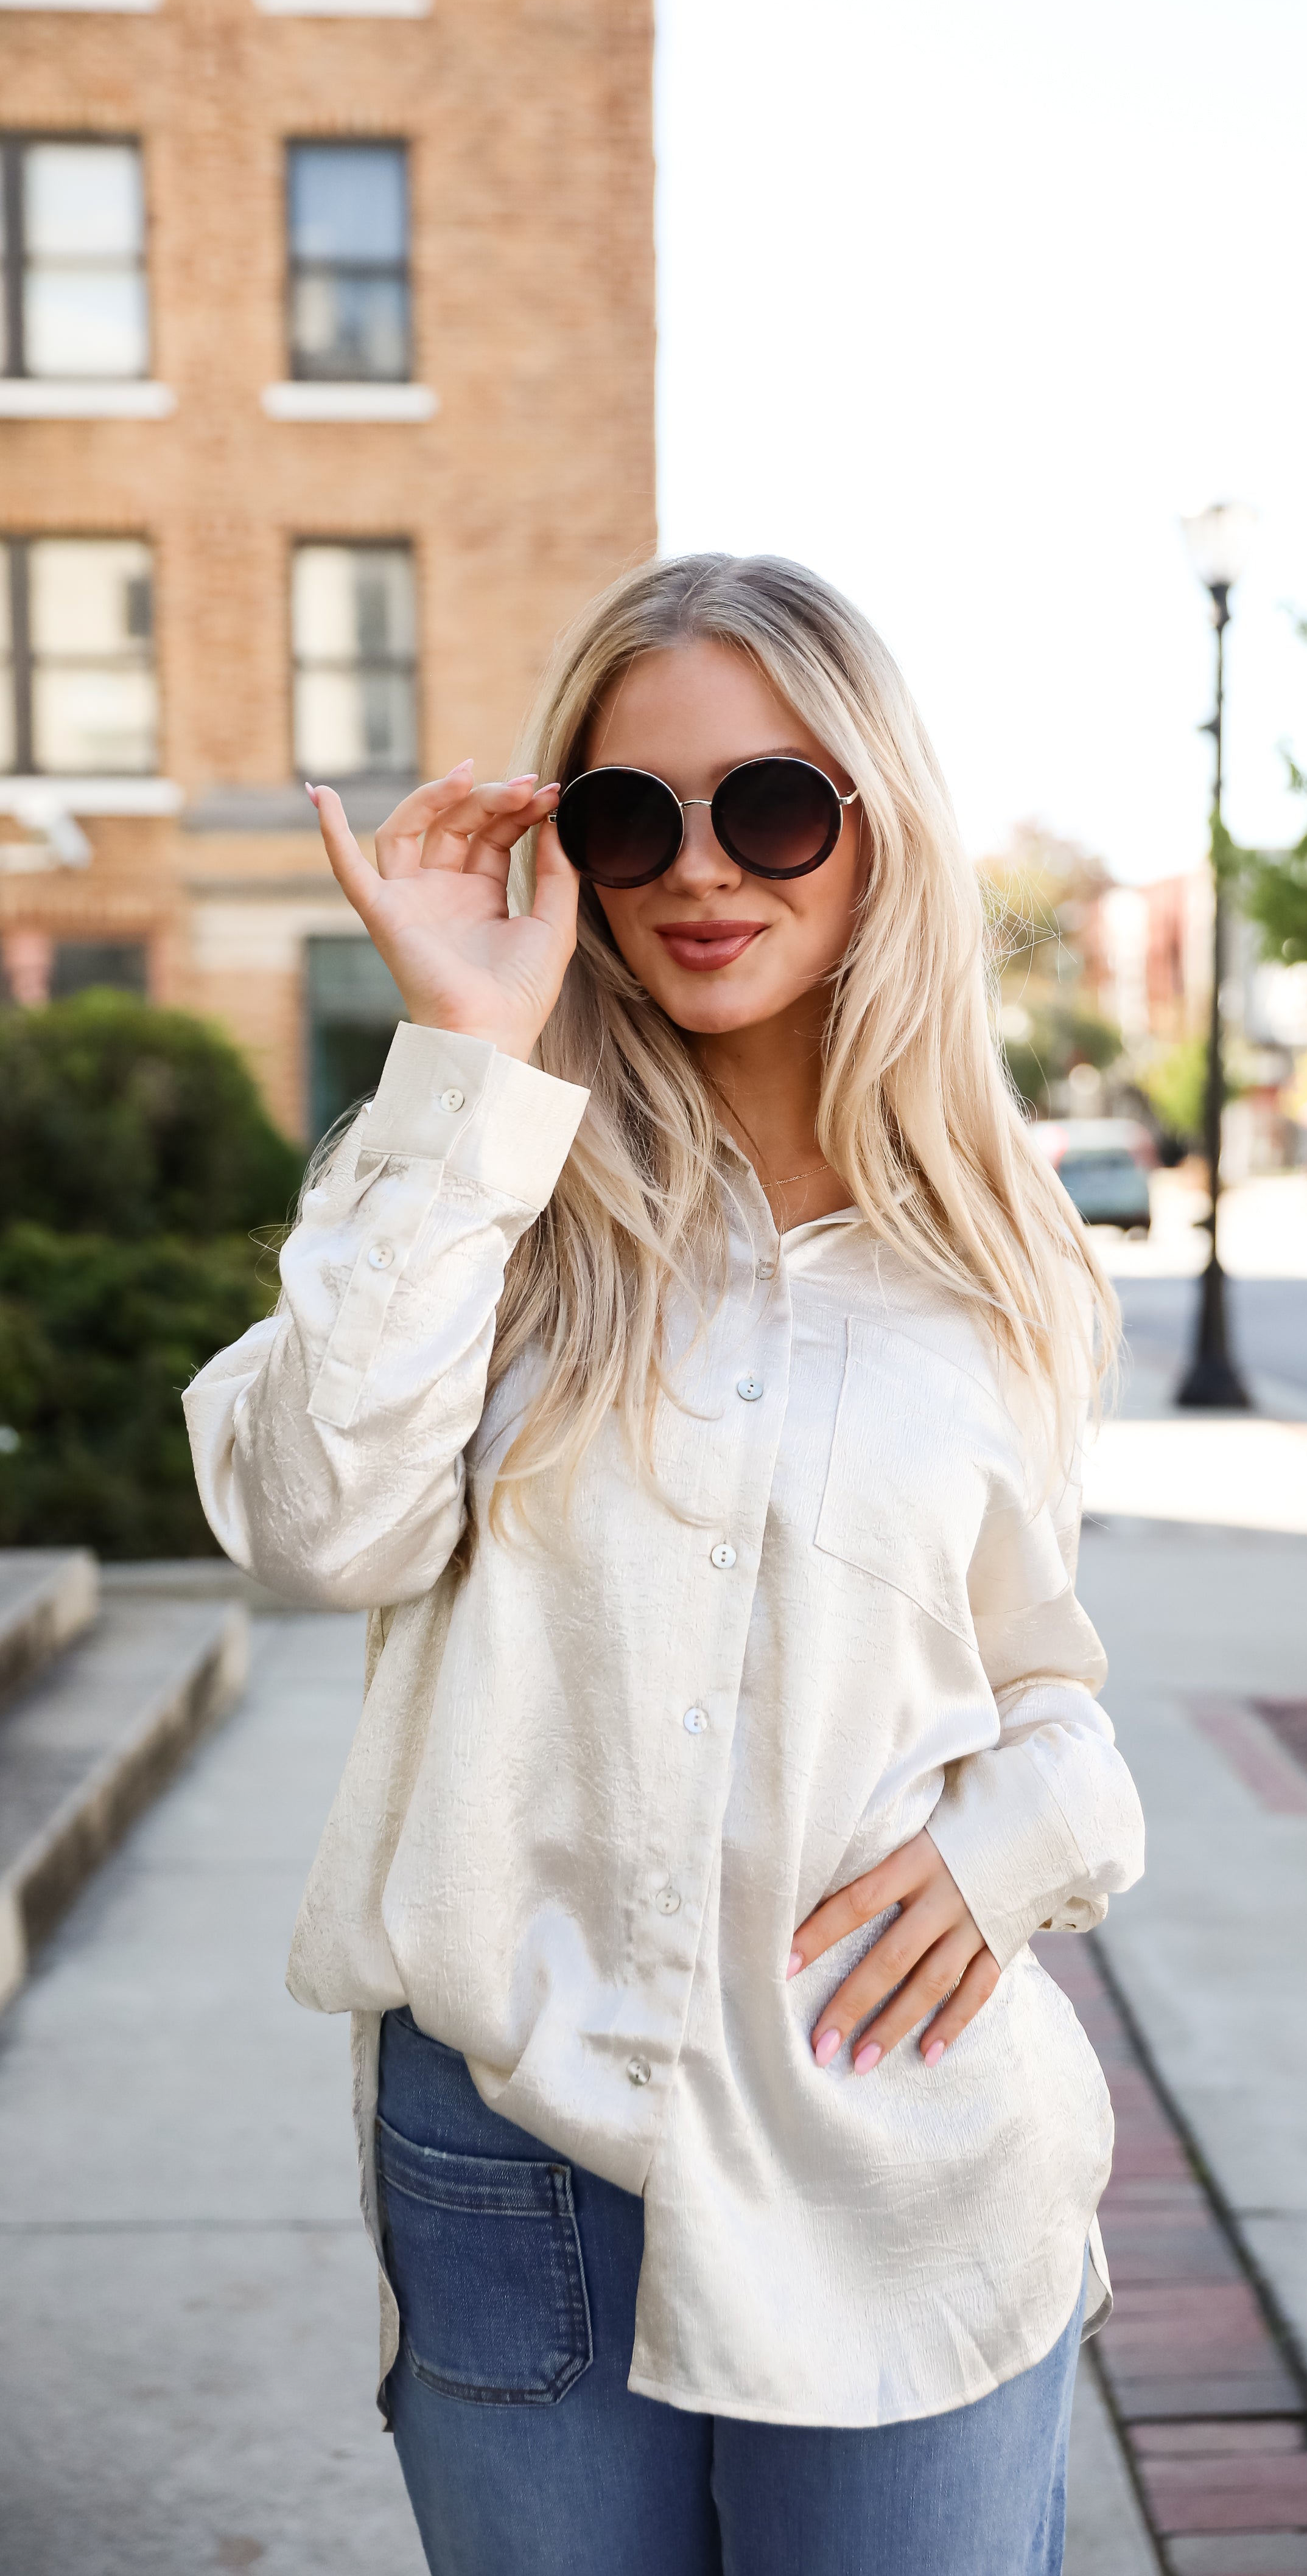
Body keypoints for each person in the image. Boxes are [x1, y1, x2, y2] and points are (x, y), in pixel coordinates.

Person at [185, 553, 1144, 2576]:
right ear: (578, 851)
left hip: (896, 2146)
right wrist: (465, 1049)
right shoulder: (483, 1192)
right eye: (634, 817)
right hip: (516, 2156)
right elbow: (306, 1525)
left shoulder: (1000, 1265)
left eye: (771, 806)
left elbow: (1034, 1676)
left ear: (874, 821)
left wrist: (1034, 1829)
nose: (703, 870)